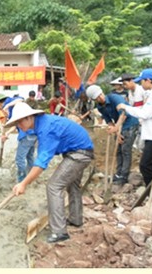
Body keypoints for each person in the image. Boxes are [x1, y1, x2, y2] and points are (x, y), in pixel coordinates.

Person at [8, 102, 94, 243]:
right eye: (16, 122)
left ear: (29, 117)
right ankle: (75, 219)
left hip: (79, 154)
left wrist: (23, 183)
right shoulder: (42, 123)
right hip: (78, 151)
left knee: (54, 186)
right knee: (72, 186)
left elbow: (41, 163)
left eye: (20, 121)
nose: (19, 125)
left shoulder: (46, 128)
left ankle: (59, 232)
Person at [116, 68, 152, 198]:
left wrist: (126, 108)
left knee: (145, 165)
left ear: (149, 80)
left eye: (142, 81)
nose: (141, 84)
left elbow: (145, 113)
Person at [85, 84, 139, 184]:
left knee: (125, 149)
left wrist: (115, 129)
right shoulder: (100, 107)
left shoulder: (115, 98)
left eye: (100, 95)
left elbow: (123, 115)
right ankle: (118, 173)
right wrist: (116, 132)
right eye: (97, 98)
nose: (100, 98)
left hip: (131, 123)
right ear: (94, 99)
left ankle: (124, 175)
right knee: (118, 150)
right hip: (120, 125)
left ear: (102, 92)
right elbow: (109, 121)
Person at [0, 93, 36, 183]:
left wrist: (7, 106)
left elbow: (21, 99)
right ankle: (31, 177)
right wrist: (7, 134)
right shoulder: (12, 111)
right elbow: (16, 125)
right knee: (29, 156)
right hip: (33, 133)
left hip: (26, 134)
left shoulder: (9, 102)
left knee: (19, 159)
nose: (1, 109)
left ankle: (22, 179)